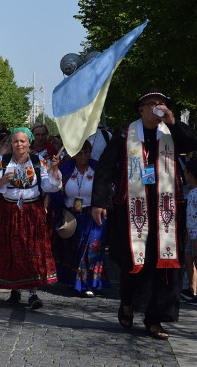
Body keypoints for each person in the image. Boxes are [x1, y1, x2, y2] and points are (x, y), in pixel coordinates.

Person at [92, 88, 197, 339]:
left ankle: (155, 320)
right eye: (151, 104)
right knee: (133, 262)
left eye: (160, 103)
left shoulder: (171, 132)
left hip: (167, 211)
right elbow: (105, 169)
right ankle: (127, 301)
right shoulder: (125, 135)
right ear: (141, 110)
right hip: (132, 211)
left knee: (166, 265)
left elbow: (193, 142)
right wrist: (98, 202)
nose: (157, 107)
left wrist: (174, 122)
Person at [0, 127, 62, 310]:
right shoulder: (3, 162)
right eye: (15, 141)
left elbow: (52, 186)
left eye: (22, 141)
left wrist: (55, 169)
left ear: (29, 142)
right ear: (11, 143)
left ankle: (33, 292)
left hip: (31, 212)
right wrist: (2, 181)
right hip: (9, 212)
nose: (19, 144)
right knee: (11, 251)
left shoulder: (38, 161)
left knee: (31, 251)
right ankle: (14, 291)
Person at [52, 140, 109, 297]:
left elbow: (106, 189)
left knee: (91, 248)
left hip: (93, 215)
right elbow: (54, 186)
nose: (83, 156)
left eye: (87, 152)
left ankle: (89, 283)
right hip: (72, 215)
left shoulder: (97, 168)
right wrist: (55, 169)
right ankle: (73, 281)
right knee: (74, 250)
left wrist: (103, 206)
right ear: (74, 154)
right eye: (80, 153)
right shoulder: (66, 168)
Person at [182, 158, 197, 305]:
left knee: (194, 259)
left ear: (190, 174)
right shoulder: (191, 192)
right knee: (188, 258)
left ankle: (194, 291)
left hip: (196, 233)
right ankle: (192, 289)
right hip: (191, 231)